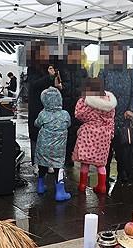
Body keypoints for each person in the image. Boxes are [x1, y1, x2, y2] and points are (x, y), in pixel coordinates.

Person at [99, 42, 133, 183]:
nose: (117, 56)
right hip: (106, 120)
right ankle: (104, 178)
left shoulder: (130, 73)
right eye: (114, 54)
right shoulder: (104, 71)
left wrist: (131, 109)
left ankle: (123, 175)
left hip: (124, 119)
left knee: (123, 151)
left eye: (120, 54)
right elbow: (97, 94)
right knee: (106, 152)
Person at [73, 78, 117, 194]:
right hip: (104, 135)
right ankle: (102, 186)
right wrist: (111, 133)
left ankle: (82, 185)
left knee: (85, 161)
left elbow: (79, 114)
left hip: (89, 133)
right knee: (101, 163)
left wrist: (83, 99)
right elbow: (112, 120)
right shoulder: (109, 102)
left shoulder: (88, 102)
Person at [27, 42, 63, 173]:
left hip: (50, 106)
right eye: (43, 51)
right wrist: (49, 77)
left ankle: (48, 162)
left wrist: (57, 82)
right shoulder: (32, 68)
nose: (46, 54)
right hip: (36, 106)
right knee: (36, 134)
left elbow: (57, 83)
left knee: (49, 134)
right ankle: (36, 163)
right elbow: (34, 85)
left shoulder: (51, 67)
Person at [34, 87, 71, 201]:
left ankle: (40, 186)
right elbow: (69, 124)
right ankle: (60, 192)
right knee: (58, 167)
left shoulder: (43, 114)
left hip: (44, 147)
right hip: (58, 149)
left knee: (42, 165)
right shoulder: (65, 114)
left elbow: (37, 124)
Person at [58, 43, 89, 167]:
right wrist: (62, 88)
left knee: (76, 132)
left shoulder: (82, 70)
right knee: (65, 132)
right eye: (73, 53)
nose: (75, 55)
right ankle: (65, 156)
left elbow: (87, 86)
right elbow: (58, 86)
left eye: (78, 53)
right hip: (64, 106)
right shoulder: (61, 69)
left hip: (79, 107)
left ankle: (72, 154)